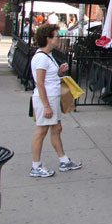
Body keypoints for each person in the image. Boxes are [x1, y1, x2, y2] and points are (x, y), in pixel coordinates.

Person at [29, 24, 82, 177]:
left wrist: (59, 71)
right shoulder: (40, 57)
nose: (59, 39)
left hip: (51, 97)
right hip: (45, 99)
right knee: (41, 131)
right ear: (48, 39)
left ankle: (63, 160)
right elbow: (39, 83)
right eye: (57, 36)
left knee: (56, 129)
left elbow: (48, 79)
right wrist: (46, 106)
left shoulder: (48, 55)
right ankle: (36, 165)